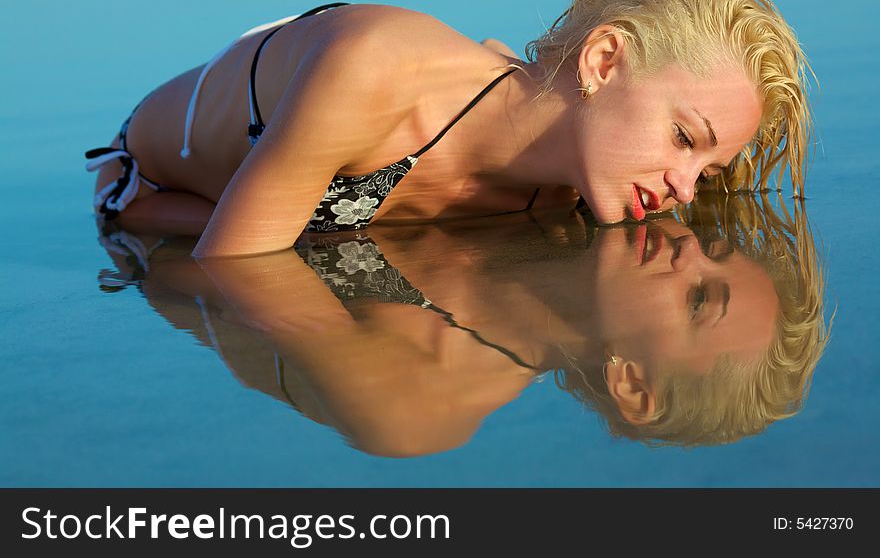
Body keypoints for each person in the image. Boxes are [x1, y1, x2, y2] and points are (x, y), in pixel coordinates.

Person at [85, 0, 814, 257]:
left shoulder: (575, 184)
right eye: (685, 137)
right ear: (601, 61)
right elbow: (228, 274)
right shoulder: (375, 73)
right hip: (150, 180)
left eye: (708, 170)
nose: (685, 187)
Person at [93, 194, 828, 453]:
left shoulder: (435, 391)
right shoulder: (554, 200)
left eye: (700, 296)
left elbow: (240, 285)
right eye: (716, 247)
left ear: (632, 379)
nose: (685, 234)